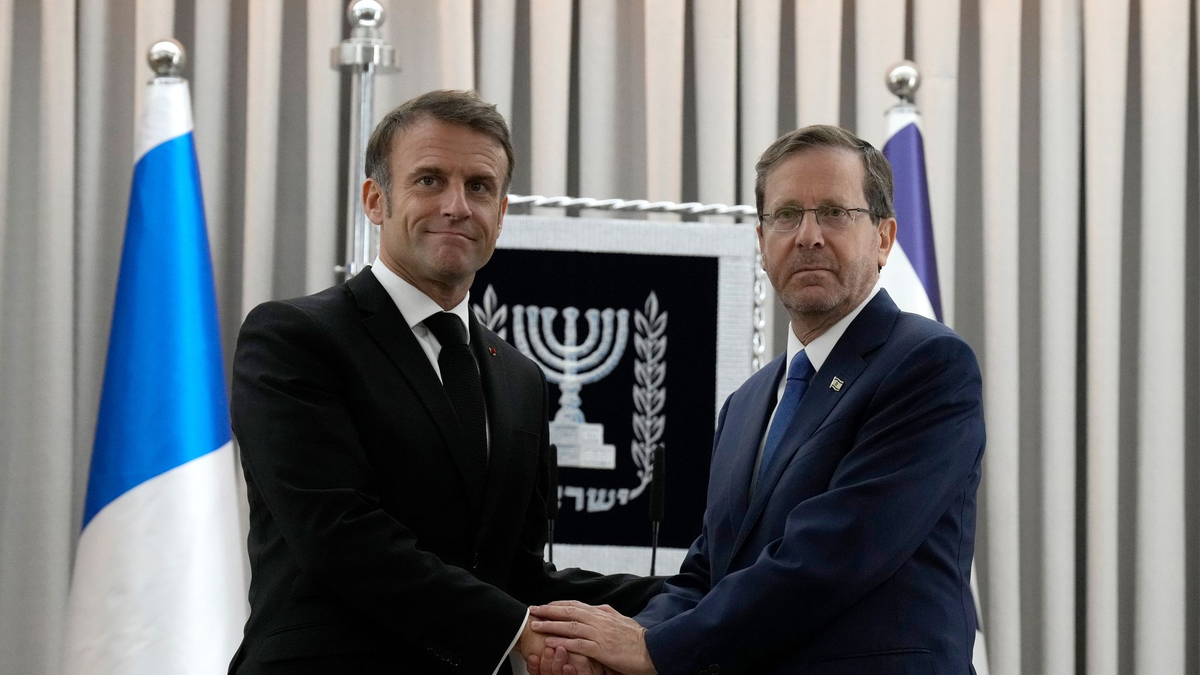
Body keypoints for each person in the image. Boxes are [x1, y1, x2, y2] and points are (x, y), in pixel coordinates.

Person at [227, 89, 660, 675]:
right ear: (375, 200)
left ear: (502, 213)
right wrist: (518, 631)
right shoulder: (294, 337)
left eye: (479, 187)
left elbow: (516, 573)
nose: (457, 205)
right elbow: (337, 536)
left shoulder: (520, 378)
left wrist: (685, 603)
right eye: (429, 180)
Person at [528, 125, 985, 675]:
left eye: (835, 213)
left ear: (884, 238)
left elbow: (832, 555)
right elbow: (707, 572)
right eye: (787, 215)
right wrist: (614, 648)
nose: (808, 236)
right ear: (762, 242)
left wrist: (652, 651)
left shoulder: (928, 364)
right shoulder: (746, 404)